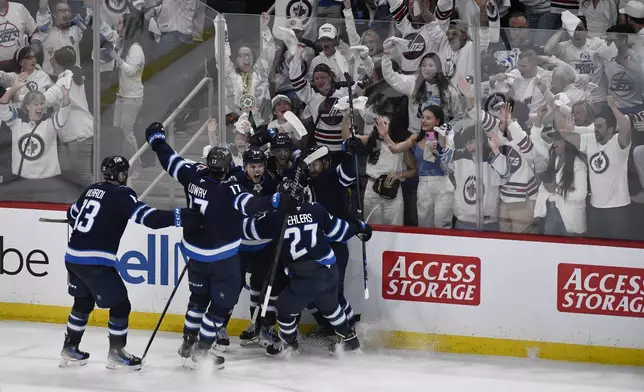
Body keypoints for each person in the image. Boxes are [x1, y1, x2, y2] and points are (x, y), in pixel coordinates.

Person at [144, 122, 290, 369]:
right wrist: (278, 199)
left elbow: (170, 161)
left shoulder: (192, 174)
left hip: (195, 255)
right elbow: (252, 206)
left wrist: (157, 139)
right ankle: (201, 350)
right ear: (226, 169)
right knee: (222, 305)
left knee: (198, 299)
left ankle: (187, 343)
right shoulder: (230, 189)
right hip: (222, 258)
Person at [61, 155, 203, 370]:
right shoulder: (122, 194)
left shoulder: (91, 189)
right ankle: (116, 353)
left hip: (73, 256)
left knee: (82, 303)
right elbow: (150, 219)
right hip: (95, 261)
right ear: (121, 174)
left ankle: (69, 348)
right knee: (120, 305)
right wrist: (180, 216)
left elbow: (71, 213)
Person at [242, 179, 373, 356]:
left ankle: (289, 345)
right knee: (331, 307)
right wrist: (360, 226)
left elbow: (248, 231)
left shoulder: (276, 218)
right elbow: (339, 231)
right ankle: (351, 342)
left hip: (305, 277)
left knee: (284, 309)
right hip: (328, 270)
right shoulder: (316, 209)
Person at [228, 146, 283, 347]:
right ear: (245, 167)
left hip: (264, 245)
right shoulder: (235, 183)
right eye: (252, 166)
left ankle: (262, 325)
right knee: (232, 286)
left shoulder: (271, 183)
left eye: (260, 165)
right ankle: (219, 327)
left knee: (262, 285)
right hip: (239, 245)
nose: (257, 170)